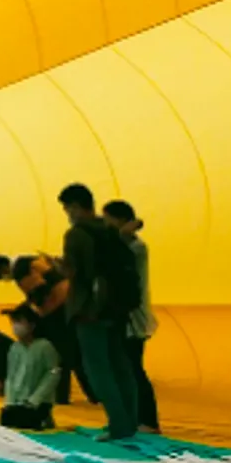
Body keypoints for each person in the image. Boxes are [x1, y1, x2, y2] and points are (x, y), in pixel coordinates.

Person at [58, 183, 141, 441]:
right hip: (116, 308)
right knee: (120, 365)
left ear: (74, 206)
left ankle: (117, 425)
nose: (67, 213)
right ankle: (129, 423)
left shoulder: (76, 235)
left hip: (89, 310)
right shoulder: (110, 229)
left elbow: (75, 273)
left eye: (67, 208)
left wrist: (58, 268)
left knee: (98, 369)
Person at [0, 252, 88, 405]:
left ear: (2, 268)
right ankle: (88, 394)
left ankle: (63, 396)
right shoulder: (28, 260)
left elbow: (40, 290)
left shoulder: (21, 271)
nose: (3, 280)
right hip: (68, 304)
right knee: (74, 353)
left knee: (63, 354)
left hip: (58, 310)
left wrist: (26, 311)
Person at [104, 200, 160, 434]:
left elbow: (115, 258)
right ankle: (133, 417)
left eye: (108, 219)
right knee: (124, 368)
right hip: (123, 317)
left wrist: (122, 235)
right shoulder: (124, 242)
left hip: (133, 318)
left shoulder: (135, 246)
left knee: (134, 369)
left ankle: (148, 420)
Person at [0, 306, 62, 430]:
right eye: (13, 322)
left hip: (38, 402)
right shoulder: (15, 348)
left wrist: (35, 399)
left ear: (32, 325)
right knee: (7, 421)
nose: (15, 326)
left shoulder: (45, 346)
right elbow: (11, 376)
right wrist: (9, 401)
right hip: (18, 401)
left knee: (27, 422)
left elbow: (53, 374)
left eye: (19, 322)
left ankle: (45, 418)